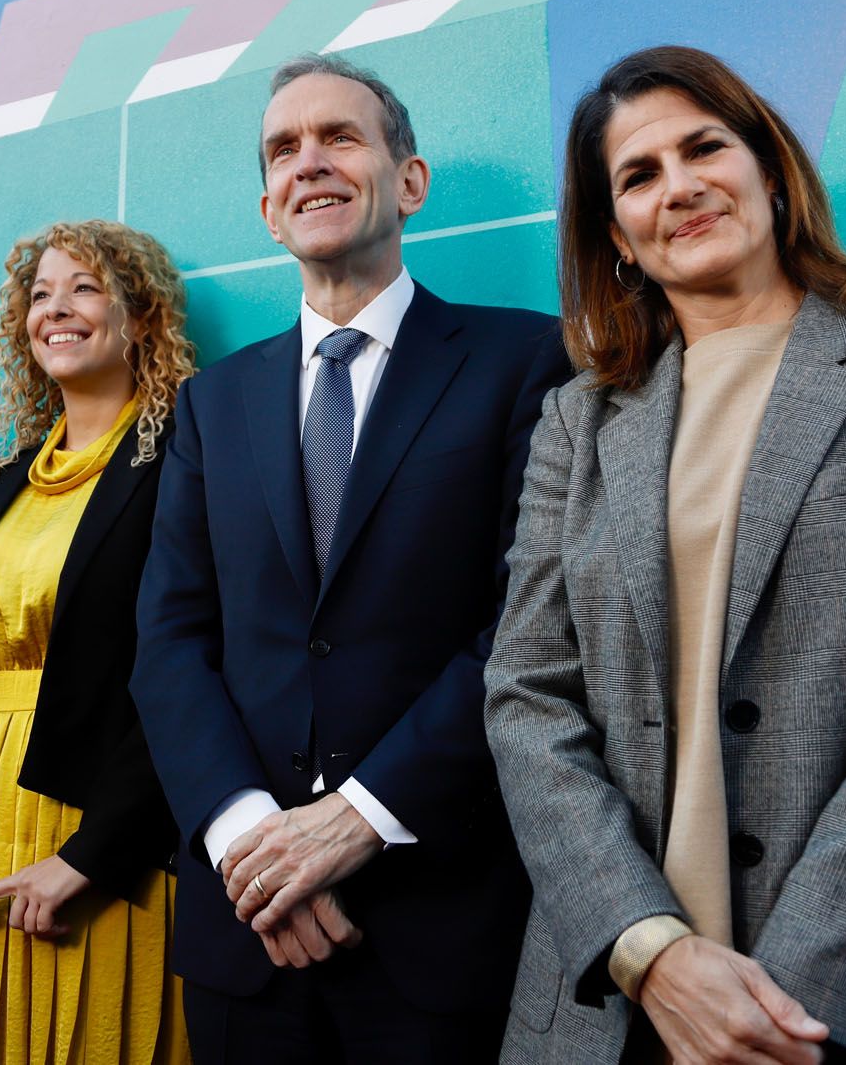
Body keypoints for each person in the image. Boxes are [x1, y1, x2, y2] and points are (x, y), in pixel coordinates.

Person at [483, 46, 846, 1063]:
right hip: (620, 1009)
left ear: (766, 167)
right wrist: (650, 952)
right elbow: (525, 694)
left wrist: (789, 1000)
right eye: (638, 175)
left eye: (702, 146)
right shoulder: (576, 424)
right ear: (614, 236)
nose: (680, 186)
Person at [130, 53, 570, 1062]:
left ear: (407, 181)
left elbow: (528, 626)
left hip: (433, 922)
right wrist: (251, 839)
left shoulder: (523, 361)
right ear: (266, 207)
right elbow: (169, 638)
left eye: (339, 137)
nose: (309, 162)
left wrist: (354, 823)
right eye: (284, 148)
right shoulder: (212, 403)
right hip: (246, 928)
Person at [0, 220, 195, 1064]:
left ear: (142, 315)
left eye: (85, 288)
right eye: (40, 293)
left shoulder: (183, 465)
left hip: (105, 839)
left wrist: (96, 854)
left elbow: (191, 670)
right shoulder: (1, 481)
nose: (57, 307)